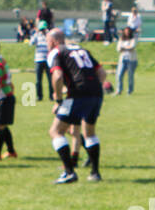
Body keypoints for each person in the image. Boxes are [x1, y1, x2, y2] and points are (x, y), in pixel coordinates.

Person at [46, 28, 111, 184]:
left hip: (75, 94)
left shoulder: (56, 52)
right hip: (96, 93)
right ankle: (95, 173)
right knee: (89, 133)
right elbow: (102, 73)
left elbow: (58, 76)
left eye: (47, 41)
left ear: (54, 41)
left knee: (56, 131)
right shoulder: (81, 49)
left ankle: (69, 172)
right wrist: (93, 88)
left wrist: (58, 100)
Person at [32, 20, 53, 101]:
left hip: (48, 60)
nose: (42, 31)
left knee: (50, 79)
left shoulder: (49, 35)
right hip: (38, 59)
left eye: (43, 29)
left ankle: (51, 95)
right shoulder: (37, 35)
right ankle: (39, 96)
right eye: (41, 29)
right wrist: (35, 33)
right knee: (38, 80)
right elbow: (31, 43)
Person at [115, 27, 138, 95]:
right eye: (126, 31)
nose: (127, 33)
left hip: (131, 60)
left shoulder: (133, 39)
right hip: (123, 59)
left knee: (130, 75)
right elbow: (119, 49)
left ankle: (130, 90)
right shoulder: (121, 39)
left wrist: (124, 48)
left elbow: (132, 47)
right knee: (119, 75)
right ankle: (119, 90)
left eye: (128, 31)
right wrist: (126, 48)